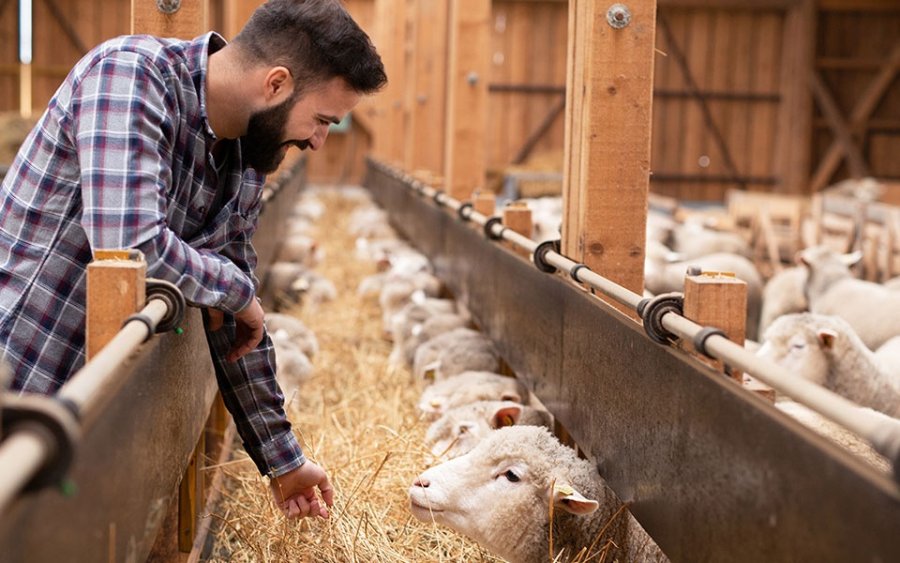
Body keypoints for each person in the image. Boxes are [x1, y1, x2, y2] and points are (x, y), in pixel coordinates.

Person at [0, 0, 386, 520]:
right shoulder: (131, 75)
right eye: (322, 120)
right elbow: (130, 245)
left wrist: (284, 461)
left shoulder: (244, 161)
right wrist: (236, 290)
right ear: (275, 84)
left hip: (85, 407)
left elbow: (237, 323)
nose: (319, 141)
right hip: (21, 368)